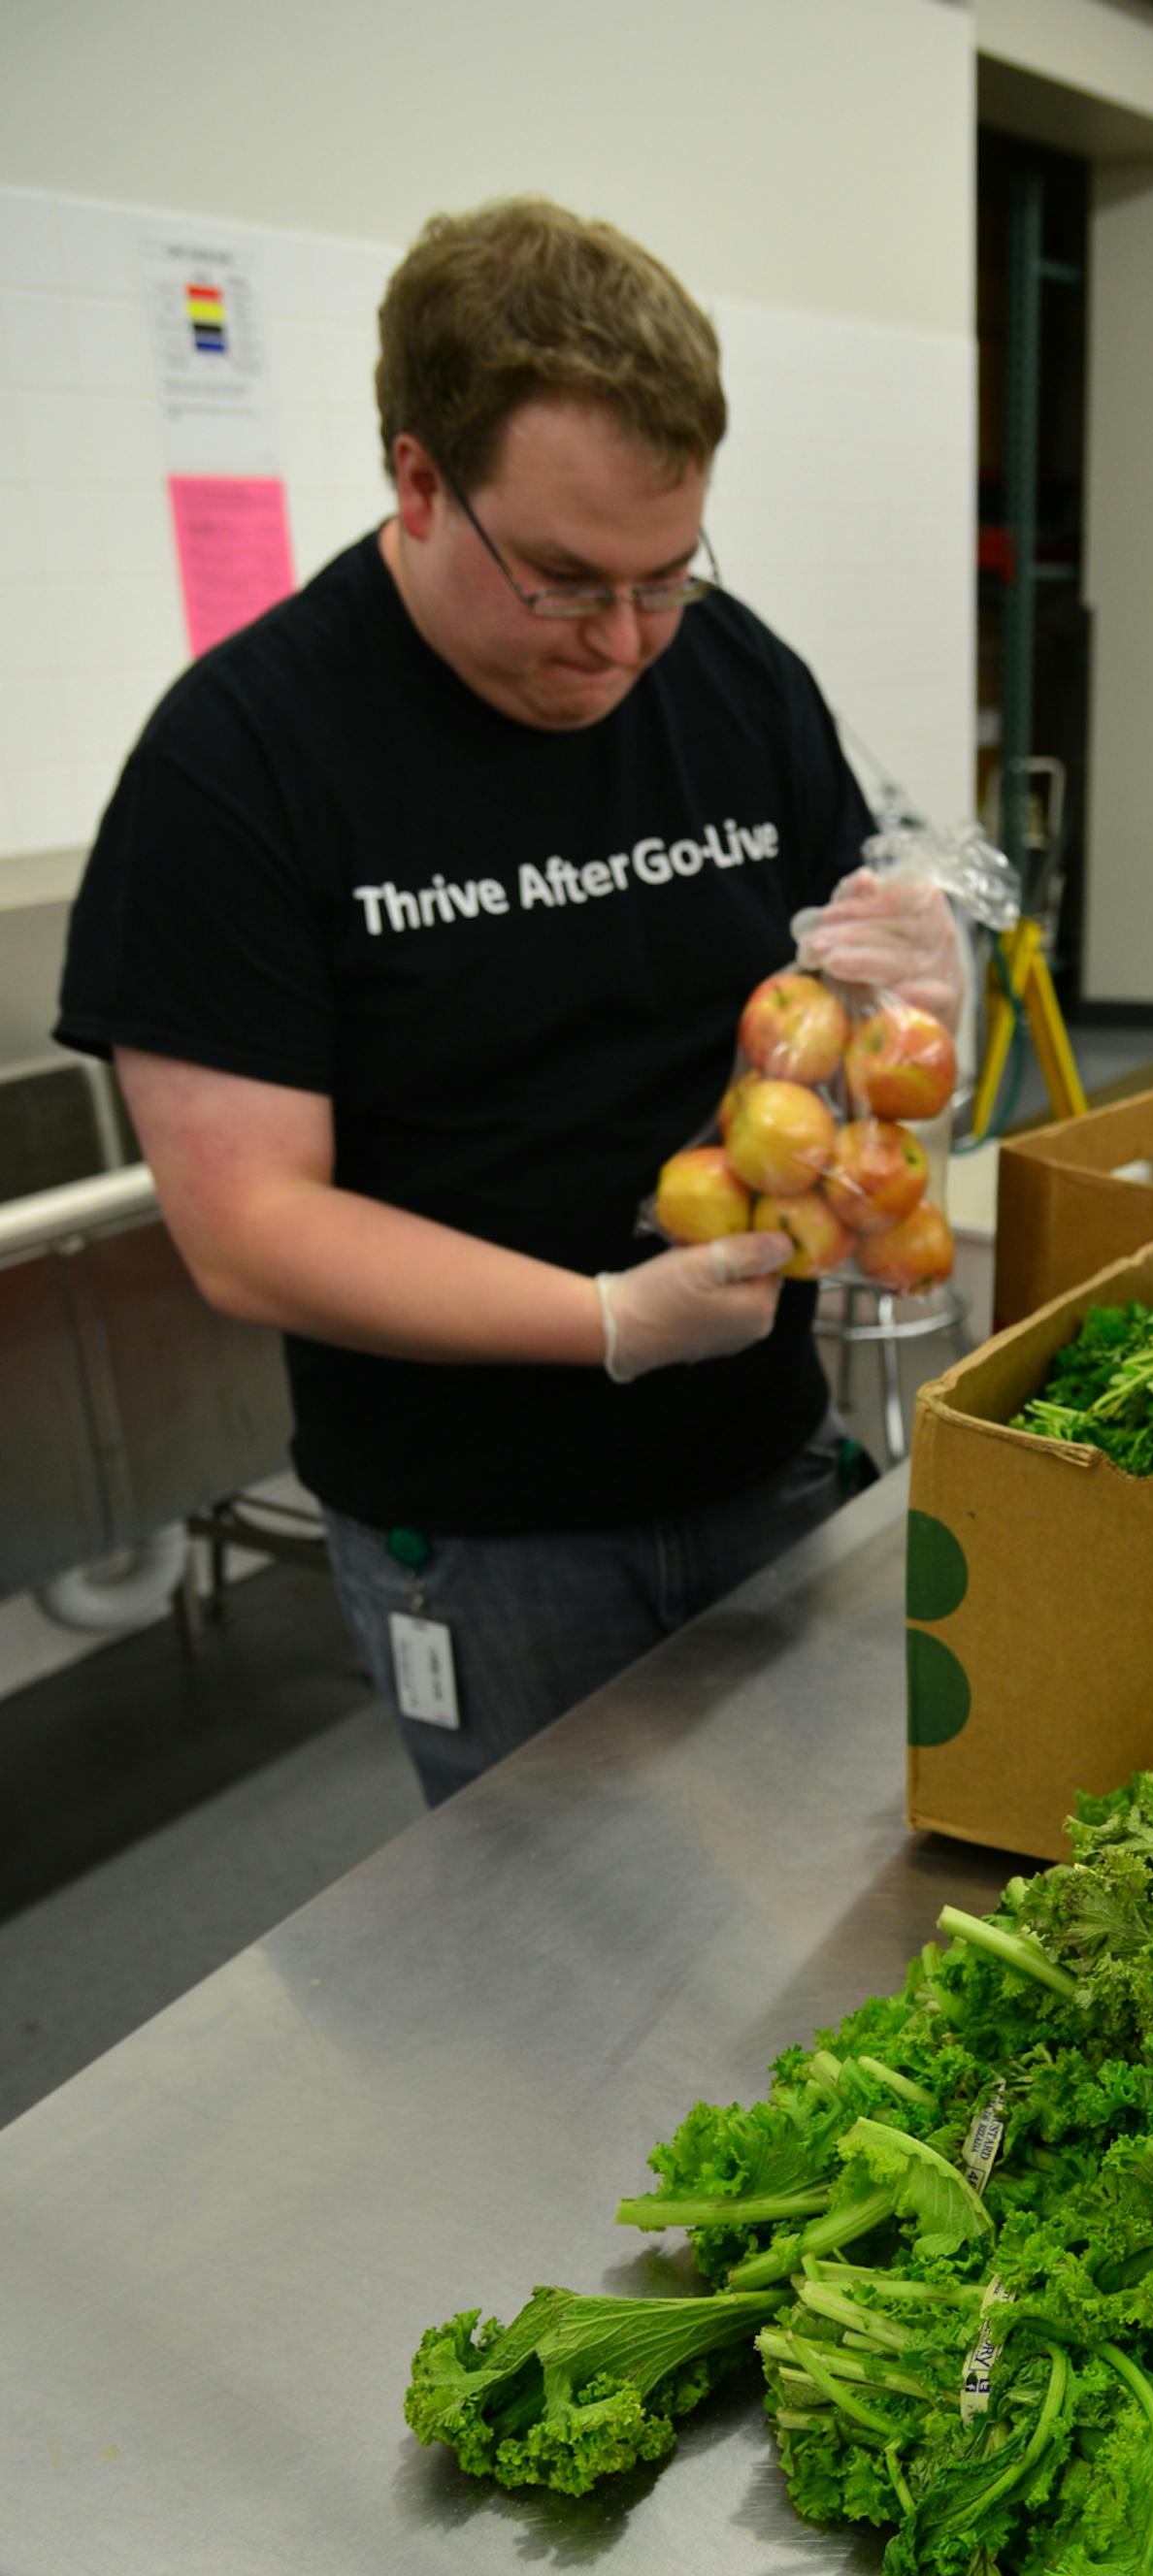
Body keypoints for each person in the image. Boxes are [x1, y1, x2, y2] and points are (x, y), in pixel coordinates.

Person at [55, 198, 965, 1805]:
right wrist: (606, 1325)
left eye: (666, 574)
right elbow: (245, 1224)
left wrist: (915, 1010)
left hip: (769, 1454)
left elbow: (833, 999)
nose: (622, 643)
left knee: (829, 1919)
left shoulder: (730, 670)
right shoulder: (241, 764)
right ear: (420, 480)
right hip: (484, 1543)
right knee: (550, 1991)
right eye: (562, 581)